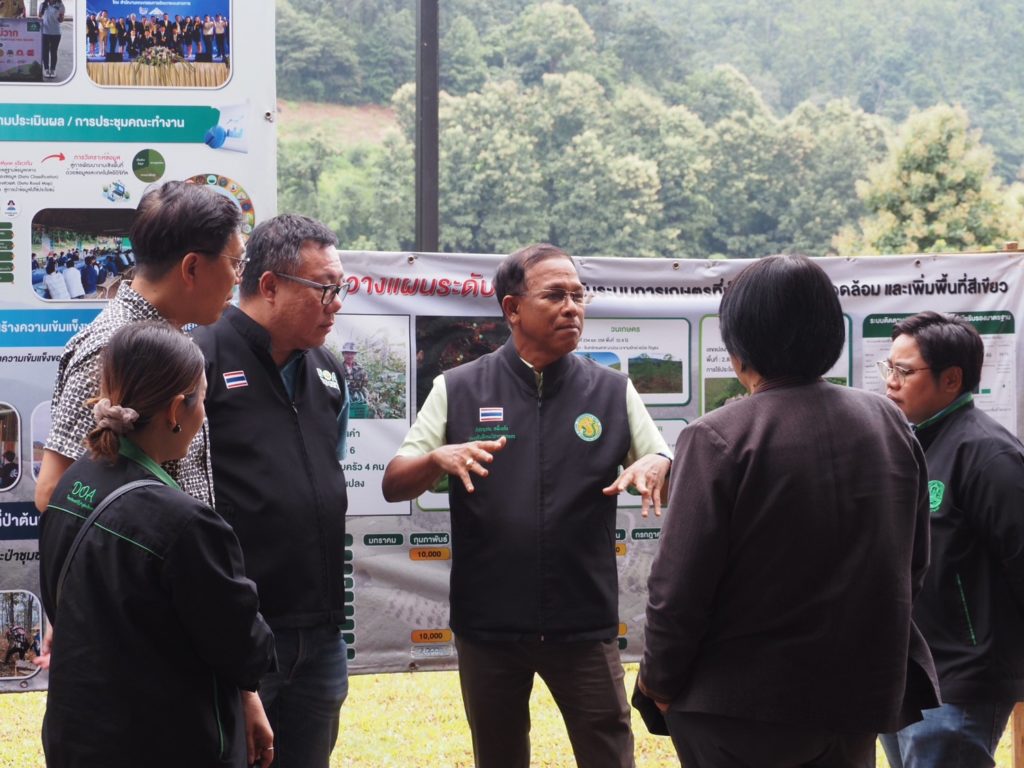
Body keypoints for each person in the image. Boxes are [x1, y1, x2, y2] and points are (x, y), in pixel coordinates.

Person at [639, 255, 940, 768]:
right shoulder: (887, 422)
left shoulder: (717, 436)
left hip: (739, 709)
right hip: (855, 698)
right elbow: (912, 564)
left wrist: (658, 684)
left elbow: (679, 590)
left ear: (738, 349)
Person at [382, 243, 672, 768]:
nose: (573, 308)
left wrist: (660, 464)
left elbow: (660, 460)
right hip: (488, 626)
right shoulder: (458, 387)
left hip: (583, 623)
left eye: (579, 296)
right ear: (512, 308)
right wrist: (438, 458)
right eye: (556, 295)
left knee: (610, 755)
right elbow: (394, 482)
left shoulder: (612, 391)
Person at [38, 321, 276, 768]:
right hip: (166, 743)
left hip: (78, 737)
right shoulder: (185, 524)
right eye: (202, 399)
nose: (204, 414)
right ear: (174, 411)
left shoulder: (72, 484)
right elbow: (246, 649)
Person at [191, 214, 350, 768]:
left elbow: (328, 475)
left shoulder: (328, 371)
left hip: (322, 629)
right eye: (326, 289)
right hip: (241, 626)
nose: (337, 303)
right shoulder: (200, 359)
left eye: (341, 288)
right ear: (270, 285)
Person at [35, 179, 245, 517]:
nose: (238, 278)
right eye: (235, 262)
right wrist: (158, 544)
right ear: (191, 267)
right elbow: (53, 493)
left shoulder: (163, 338)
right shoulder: (112, 349)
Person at [878, 311, 1024, 768]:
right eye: (889, 368)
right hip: (906, 677)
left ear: (951, 379)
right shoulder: (909, 443)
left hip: (960, 683)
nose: (891, 383)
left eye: (905, 371)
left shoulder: (989, 455)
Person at [38, 0, 64, 80]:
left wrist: (59, 17)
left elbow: (61, 19)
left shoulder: (60, 5)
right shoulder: (43, 5)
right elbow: (39, 16)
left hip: (56, 32)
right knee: (45, 51)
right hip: (45, 32)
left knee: (53, 51)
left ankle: (53, 69)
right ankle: (46, 69)